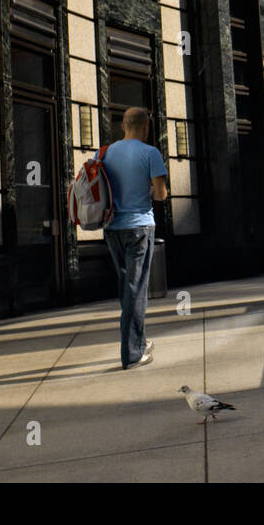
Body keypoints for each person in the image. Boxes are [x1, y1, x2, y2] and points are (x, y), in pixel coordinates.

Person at [101, 107, 168, 370]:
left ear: (122, 126)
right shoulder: (150, 153)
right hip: (139, 228)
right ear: (146, 127)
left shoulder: (104, 153)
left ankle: (137, 341)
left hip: (112, 228)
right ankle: (131, 354)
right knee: (137, 289)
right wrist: (149, 189)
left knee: (126, 288)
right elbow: (161, 194)